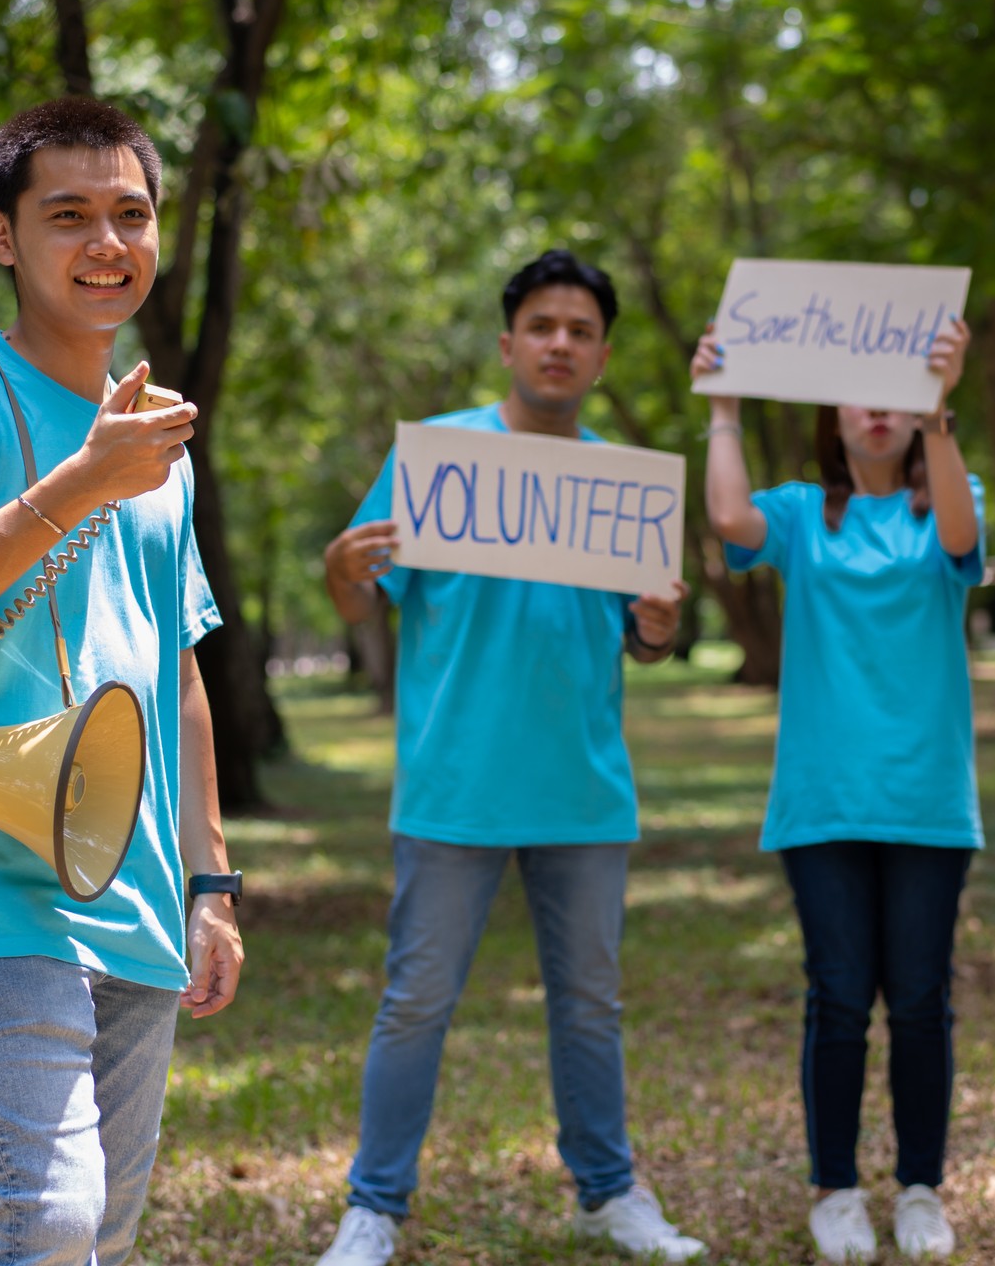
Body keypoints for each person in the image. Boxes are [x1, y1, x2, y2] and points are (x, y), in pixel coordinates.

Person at [0, 98, 244, 1266]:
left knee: (103, 1233)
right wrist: (83, 478)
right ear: (2, 237)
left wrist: (212, 876)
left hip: (131, 891)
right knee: (50, 1215)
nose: (105, 242)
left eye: (131, 214)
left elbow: (177, 669)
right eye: (67, 214)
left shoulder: (154, 442)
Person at [315, 250, 703, 1266]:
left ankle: (609, 1192)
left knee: (589, 1006)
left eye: (580, 330)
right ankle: (374, 1206)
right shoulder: (437, 457)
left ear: (602, 354)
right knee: (415, 1002)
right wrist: (338, 571)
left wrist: (663, 621)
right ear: (509, 343)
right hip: (453, 784)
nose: (560, 343)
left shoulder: (625, 485)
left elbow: (646, 640)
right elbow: (363, 599)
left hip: (583, 786)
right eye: (543, 326)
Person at [691, 315, 983, 1262]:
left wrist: (942, 415)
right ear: (832, 409)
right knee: (839, 997)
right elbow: (729, 523)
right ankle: (835, 1188)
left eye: (900, 395)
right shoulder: (802, 515)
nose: (880, 411)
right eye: (864, 392)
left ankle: (921, 1188)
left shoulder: (942, 500)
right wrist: (724, 406)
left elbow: (963, 534)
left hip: (929, 804)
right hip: (822, 804)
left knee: (923, 999)